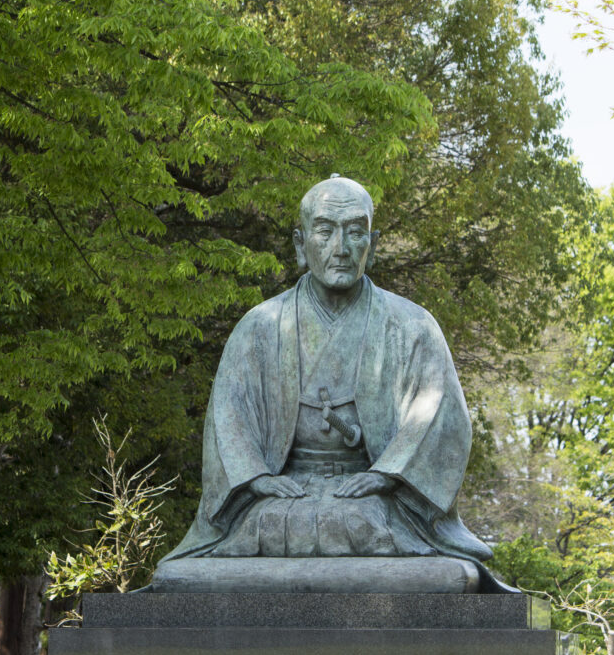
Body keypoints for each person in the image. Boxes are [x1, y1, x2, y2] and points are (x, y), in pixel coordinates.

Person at [159, 175, 492, 565]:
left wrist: (386, 475)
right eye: (325, 231)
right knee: (269, 525)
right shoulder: (260, 326)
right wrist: (258, 478)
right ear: (301, 244)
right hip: (283, 495)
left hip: (377, 497)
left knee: (367, 523)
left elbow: (438, 415)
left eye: (355, 232)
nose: (341, 248)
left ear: (373, 244)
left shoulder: (412, 326)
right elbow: (228, 416)